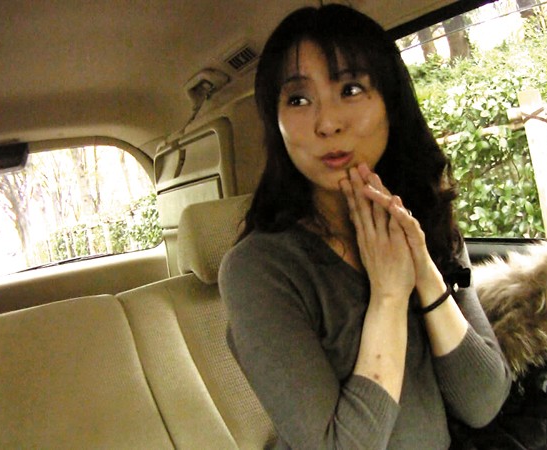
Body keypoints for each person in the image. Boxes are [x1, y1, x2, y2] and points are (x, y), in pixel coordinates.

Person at [219, 4, 511, 449]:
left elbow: (484, 403)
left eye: (351, 89)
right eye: (298, 100)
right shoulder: (260, 270)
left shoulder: (424, 219)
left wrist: (423, 271)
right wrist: (389, 297)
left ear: (391, 102)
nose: (328, 123)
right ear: (275, 123)